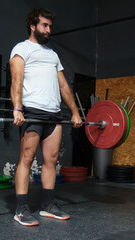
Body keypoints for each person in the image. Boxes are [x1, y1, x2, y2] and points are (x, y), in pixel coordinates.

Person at [10, 8, 83, 226]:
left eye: (50, 26)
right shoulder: (22, 49)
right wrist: (17, 108)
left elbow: (63, 85)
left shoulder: (52, 55)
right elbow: (17, 79)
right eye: (44, 25)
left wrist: (75, 112)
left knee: (51, 161)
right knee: (26, 159)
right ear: (33, 26)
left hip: (54, 114)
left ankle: (48, 205)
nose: (48, 30)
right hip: (32, 112)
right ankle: (21, 209)